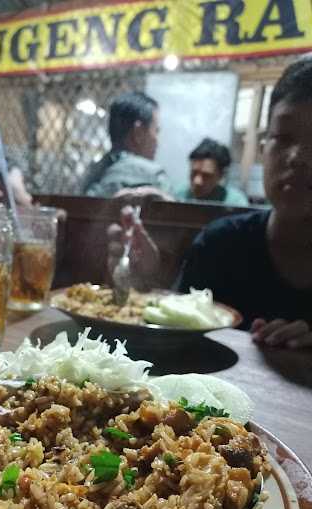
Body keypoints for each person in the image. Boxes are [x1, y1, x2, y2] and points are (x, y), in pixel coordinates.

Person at [108, 57, 312, 349]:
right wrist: (146, 286)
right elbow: (171, 345)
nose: (298, 157)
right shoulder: (219, 245)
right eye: (283, 137)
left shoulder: (232, 204)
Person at [81, 91, 172, 198]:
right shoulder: (154, 175)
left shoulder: (93, 173)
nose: (157, 141)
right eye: (156, 131)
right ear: (138, 132)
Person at [176, 138, 249, 206]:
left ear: (221, 175)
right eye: (194, 173)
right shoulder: (177, 195)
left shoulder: (235, 202)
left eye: (206, 176)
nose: (197, 181)